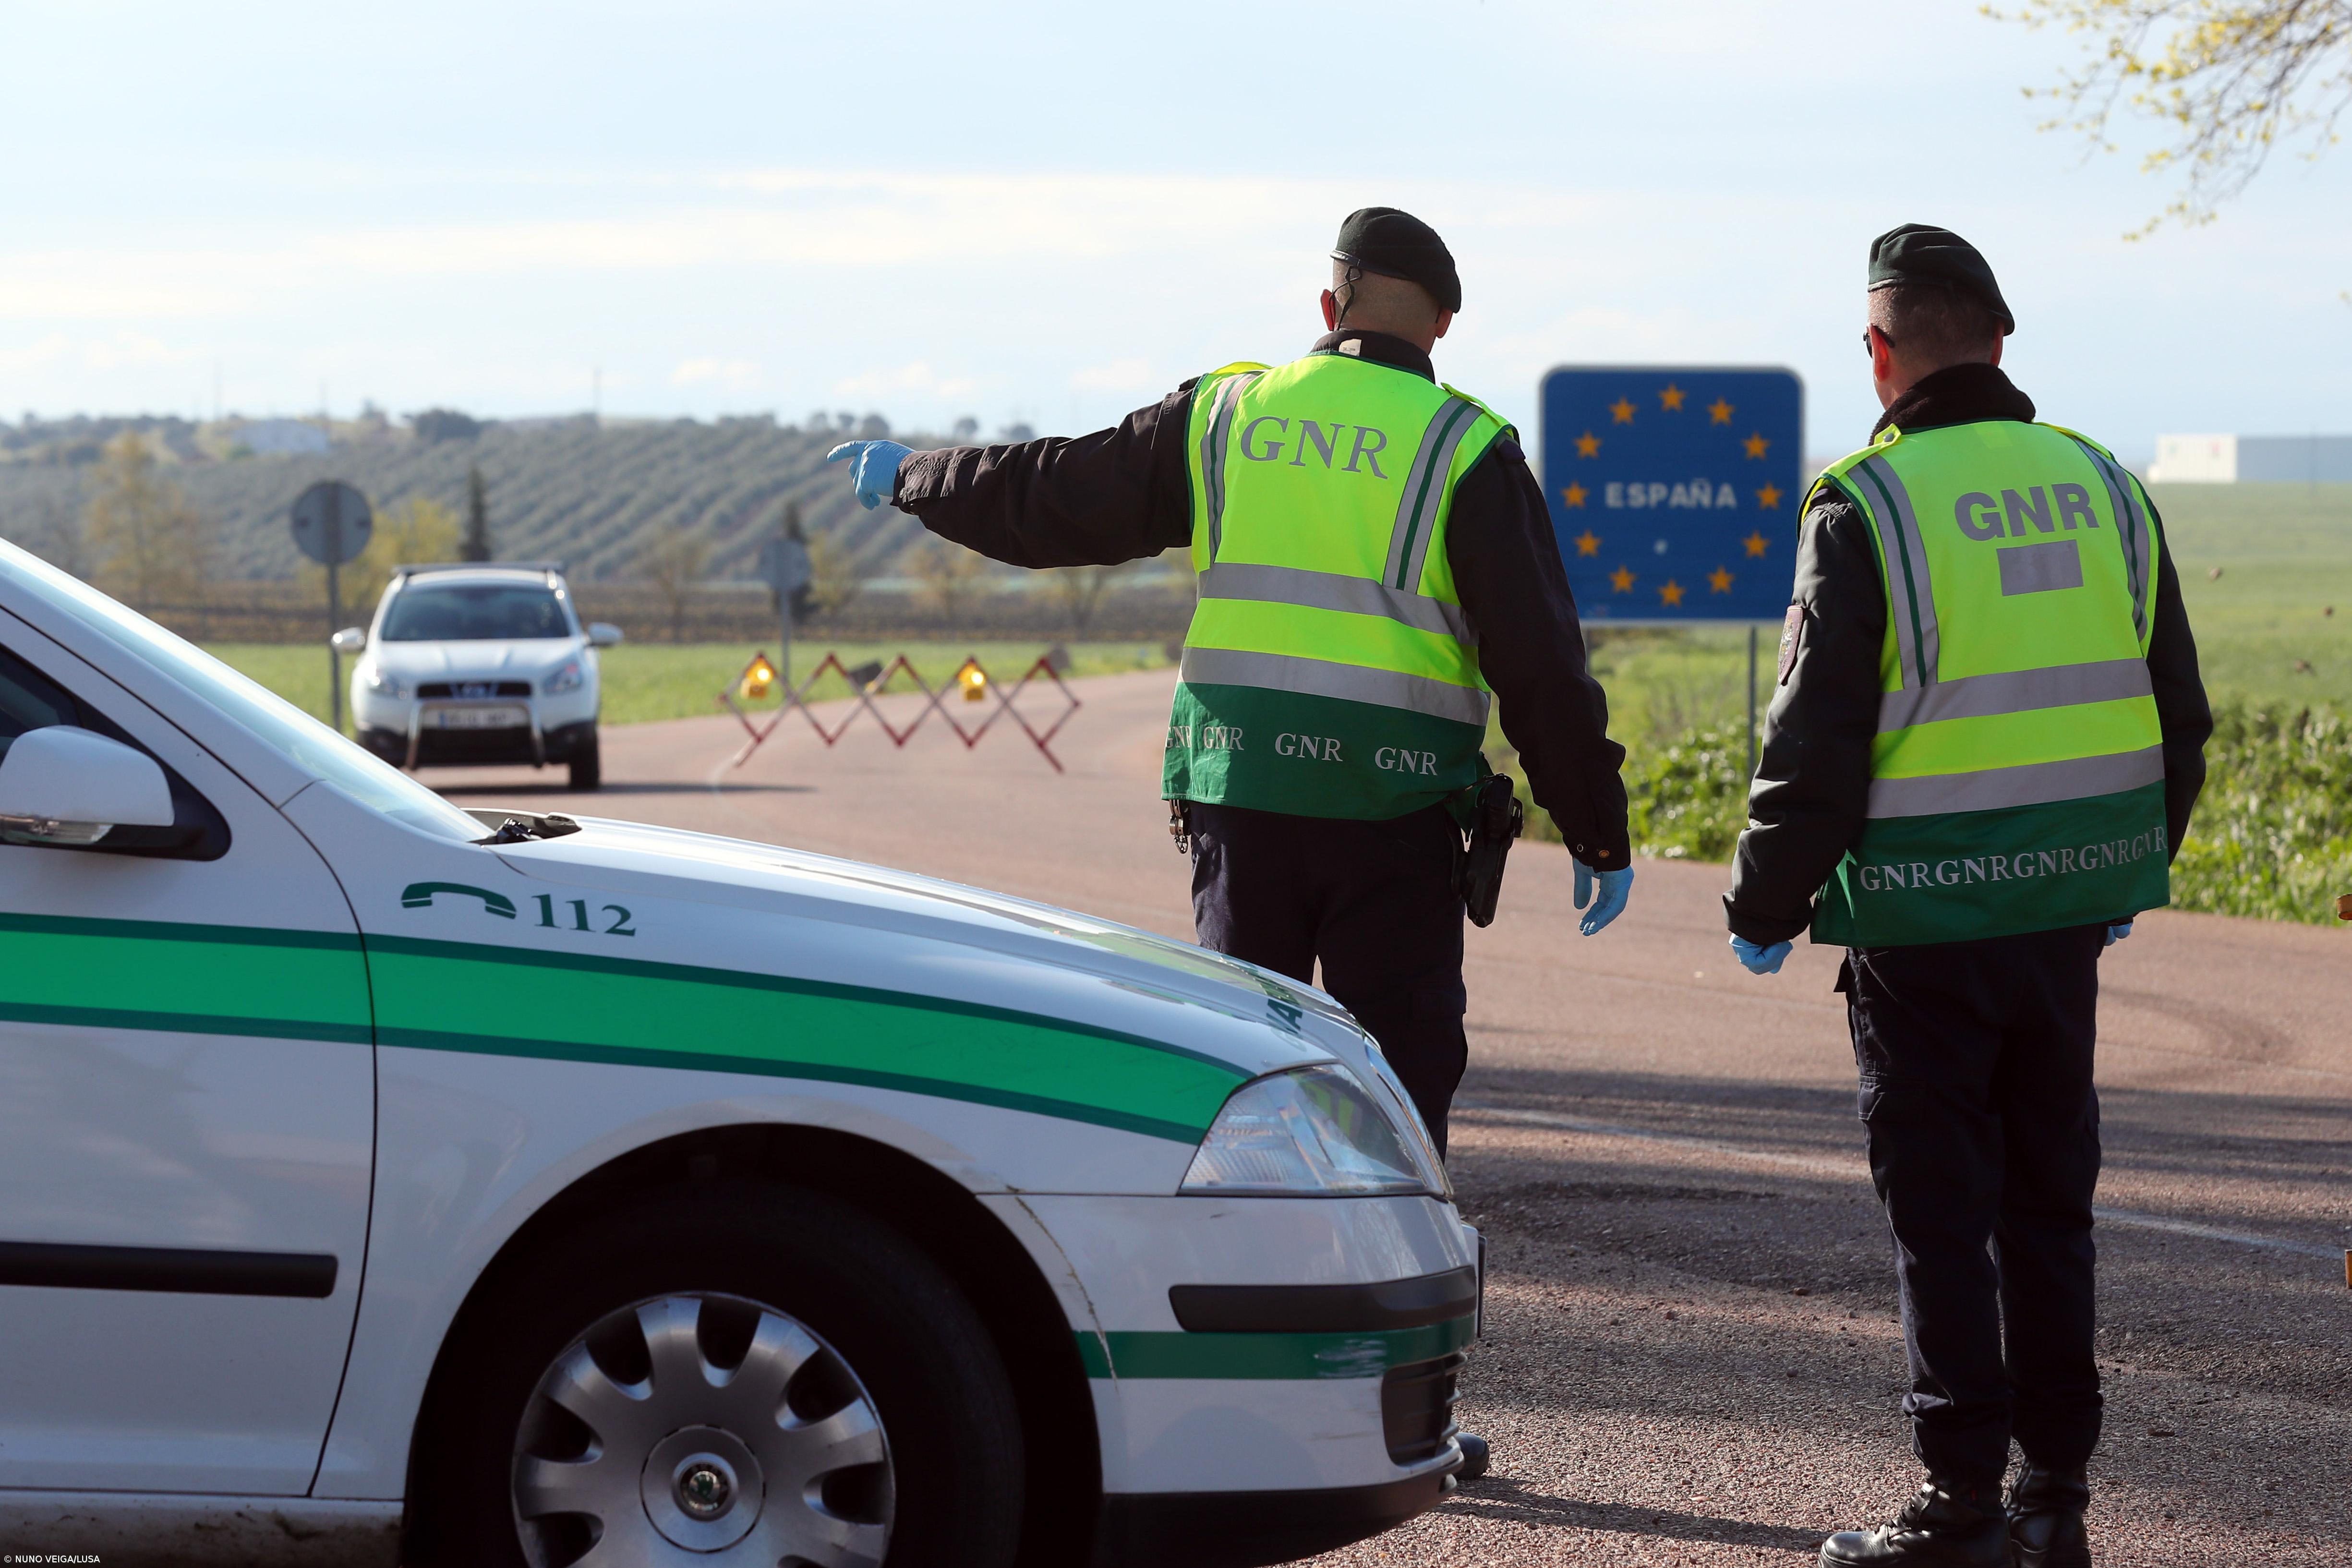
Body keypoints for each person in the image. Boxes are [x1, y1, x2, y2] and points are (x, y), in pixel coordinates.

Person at [832, 206, 1637, 1480]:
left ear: (1326, 310)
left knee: (1238, 1098)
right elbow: (1539, 663)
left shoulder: (1228, 415)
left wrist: (918, 477)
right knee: (1396, 1100)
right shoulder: (1466, 448)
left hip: (1238, 806)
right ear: (1441, 324)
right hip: (1393, 822)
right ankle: (1401, 1409)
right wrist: (1596, 825)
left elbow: (1054, 492)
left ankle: (1238, 1418)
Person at [1724, 224, 2211, 1568]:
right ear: (2000, 341)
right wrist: (2123, 865)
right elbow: (2182, 716)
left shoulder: (1865, 505)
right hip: (2062, 917)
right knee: (2048, 1199)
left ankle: (1957, 1505)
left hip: (1922, 925)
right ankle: (2055, 1496)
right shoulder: (2106, 488)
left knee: (1943, 1216)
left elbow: (1811, 746)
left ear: (1878, 355)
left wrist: (1762, 902)